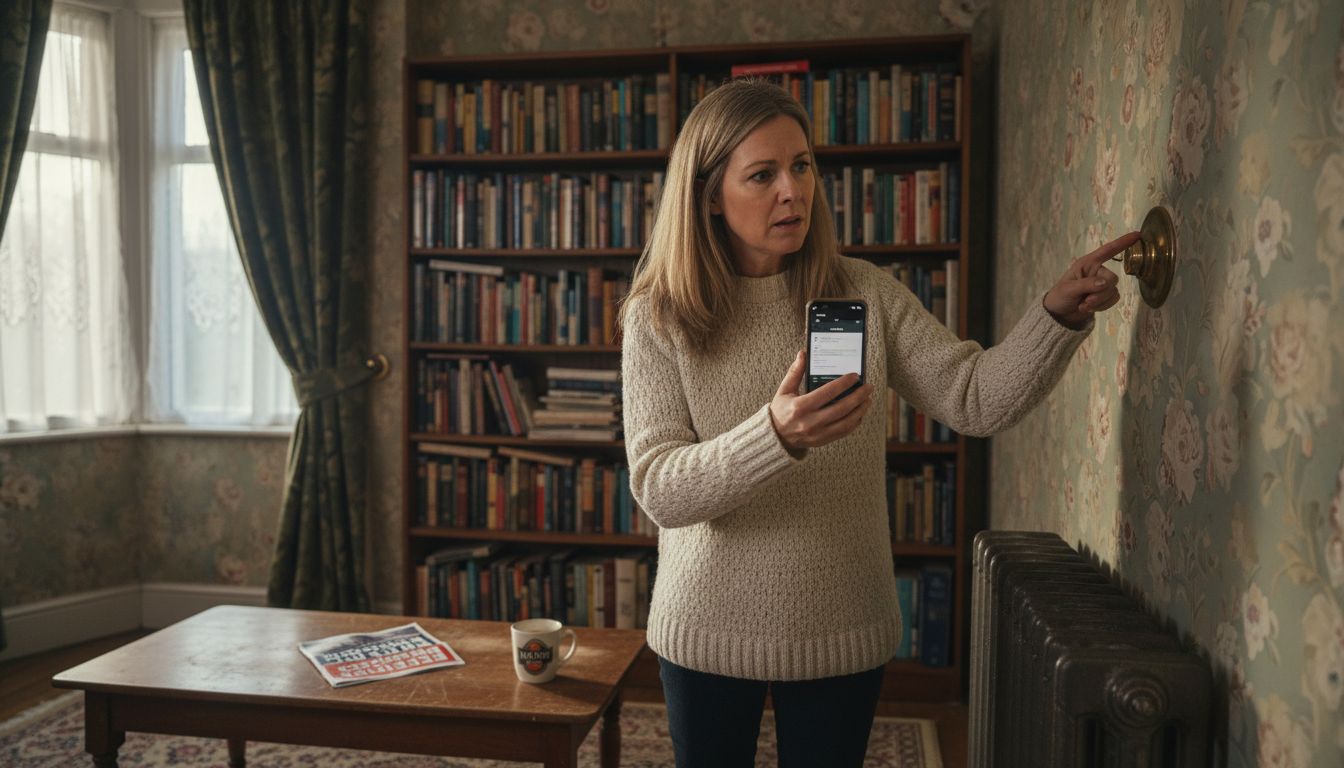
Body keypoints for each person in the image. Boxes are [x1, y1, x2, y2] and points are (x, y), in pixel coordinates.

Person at [617, 78, 1137, 767]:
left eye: (802, 166)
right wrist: (774, 436)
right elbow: (659, 487)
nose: (792, 191)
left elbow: (973, 397)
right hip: (706, 628)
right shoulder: (659, 317)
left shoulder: (863, 291)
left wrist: (1056, 317)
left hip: (842, 623)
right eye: (763, 174)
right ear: (710, 195)